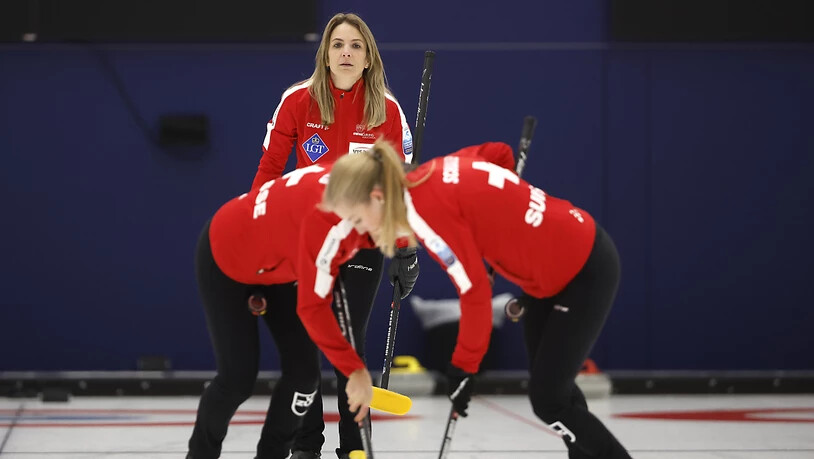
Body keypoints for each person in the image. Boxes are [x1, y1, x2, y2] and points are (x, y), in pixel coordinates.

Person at [311, 140, 632, 458]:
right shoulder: (437, 169)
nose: (359, 230)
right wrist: (503, 215)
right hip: (547, 278)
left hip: (583, 269)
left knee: (549, 400)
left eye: (356, 219)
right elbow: (499, 153)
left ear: (377, 198)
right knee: (557, 390)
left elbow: (475, 294)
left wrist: (463, 368)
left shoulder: (426, 215)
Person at [252, 12, 415, 458]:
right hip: (305, 238)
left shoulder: (388, 109)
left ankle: (355, 448)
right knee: (305, 340)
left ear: (368, 58)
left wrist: (403, 246)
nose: (346, 52)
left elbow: (397, 184)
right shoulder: (297, 101)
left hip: (360, 241)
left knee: (347, 338)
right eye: (338, 44)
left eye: (356, 46)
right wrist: (259, 231)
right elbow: (269, 172)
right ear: (325, 54)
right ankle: (307, 447)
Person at [187, 162, 419, 459]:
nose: (386, 239)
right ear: (375, 197)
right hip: (227, 257)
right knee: (237, 380)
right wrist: (355, 371)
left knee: (304, 377)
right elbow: (313, 309)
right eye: (388, 226)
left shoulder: (355, 198)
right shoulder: (327, 221)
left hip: (280, 264)